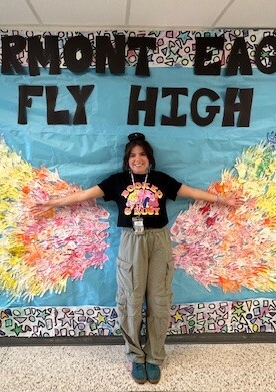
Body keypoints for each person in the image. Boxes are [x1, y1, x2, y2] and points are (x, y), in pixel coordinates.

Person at [31, 132, 242, 384]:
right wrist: (53, 203)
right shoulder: (117, 181)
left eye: (142, 154)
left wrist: (222, 200)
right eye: (132, 155)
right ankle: (136, 356)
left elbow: (192, 192)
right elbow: (83, 195)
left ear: (149, 158)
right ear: (127, 159)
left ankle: (154, 357)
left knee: (159, 299)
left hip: (159, 241)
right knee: (131, 300)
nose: (137, 159)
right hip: (131, 241)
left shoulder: (161, 180)